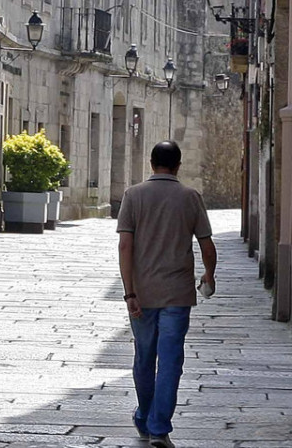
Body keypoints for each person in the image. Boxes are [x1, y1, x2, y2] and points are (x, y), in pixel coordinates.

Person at [116, 141, 218, 448]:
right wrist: (209, 275)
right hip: (177, 293)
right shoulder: (190, 197)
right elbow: (207, 245)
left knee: (144, 357)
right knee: (171, 360)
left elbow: (124, 246)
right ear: (178, 165)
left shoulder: (133, 196)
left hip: (142, 294)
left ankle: (145, 416)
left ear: (151, 163)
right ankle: (158, 427)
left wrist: (129, 292)